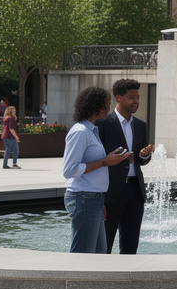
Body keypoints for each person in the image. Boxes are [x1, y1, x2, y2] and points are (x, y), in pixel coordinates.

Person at [62, 87, 129, 254]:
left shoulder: (92, 130)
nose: (109, 106)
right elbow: (69, 170)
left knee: (99, 255)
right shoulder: (80, 132)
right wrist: (105, 162)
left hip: (93, 199)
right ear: (96, 105)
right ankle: (73, 281)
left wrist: (100, 201)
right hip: (83, 198)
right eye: (107, 103)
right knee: (83, 254)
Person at [96, 79, 154, 254]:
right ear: (118, 98)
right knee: (104, 245)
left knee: (130, 246)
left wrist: (145, 155)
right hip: (110, 192)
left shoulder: (140, 125)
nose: (136, 101)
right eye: (131, 97)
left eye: (138, 97)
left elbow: (140, 160)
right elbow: (99, 160)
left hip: (135, 192)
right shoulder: (103, 123)